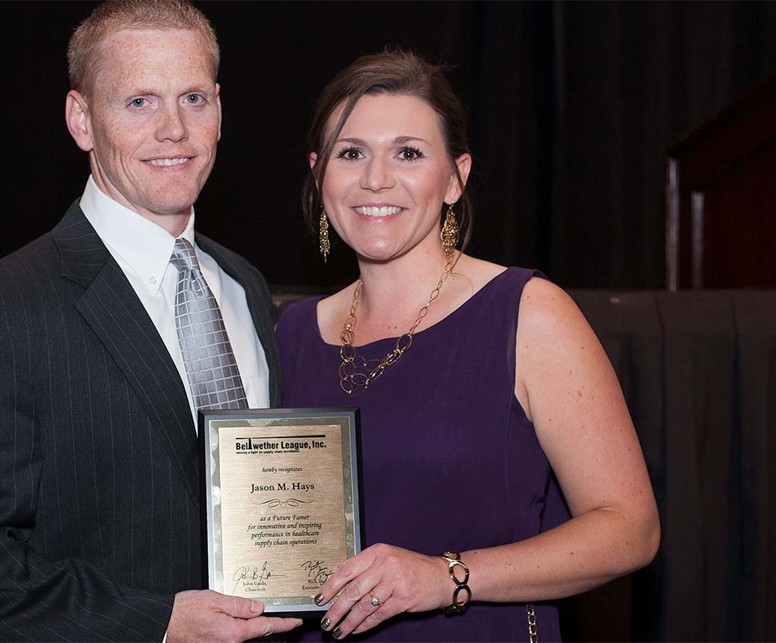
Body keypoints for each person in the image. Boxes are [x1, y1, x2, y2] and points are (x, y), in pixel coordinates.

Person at [0, 1, 302, 641]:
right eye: (139, 102)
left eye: (194, 98)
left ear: (220, 109)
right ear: (81, 120)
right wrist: (155, 624)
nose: (175, 128)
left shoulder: (243, 286)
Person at [276, 50, 660, 641]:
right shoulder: (290, 333)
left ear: (455, 177)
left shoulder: (527, 313)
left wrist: (445, 576)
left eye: (408, 153)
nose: (375, 178)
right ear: (317, 173)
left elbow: (629, 529)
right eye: (350, 153)